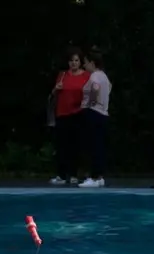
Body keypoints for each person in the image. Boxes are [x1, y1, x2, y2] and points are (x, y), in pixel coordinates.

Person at [48, 48, 89, 186]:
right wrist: (56, 89)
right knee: (61, 146)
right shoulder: (63, 75)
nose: (74, 63)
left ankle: (73, 174)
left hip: (77, 113)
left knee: (75, 145)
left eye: (76, 60)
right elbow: (53, 93)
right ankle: (60, 174)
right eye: (71, 60)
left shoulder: (86, 76)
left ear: (80, 62)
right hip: (62, 113)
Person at [77, 49, 112, 188]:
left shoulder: (94, 76)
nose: (84, 66)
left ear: (92, 63)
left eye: (85, 63)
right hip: (103, 113)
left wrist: (92, 101)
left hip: (94, 112)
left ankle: (93, 176)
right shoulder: (104, 76)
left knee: (92, 145)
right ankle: (99, 176)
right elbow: (109, 87)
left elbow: (96, 88)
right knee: (99, 145)